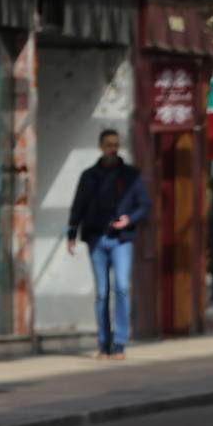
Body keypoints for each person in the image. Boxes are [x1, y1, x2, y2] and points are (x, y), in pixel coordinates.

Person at [67, 129, 151, 360]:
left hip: (121, 240)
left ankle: (120, 343)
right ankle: (104, 344)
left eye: (115, 144)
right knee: (102, 293)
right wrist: (71, 233)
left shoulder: (131, 175)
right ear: (100, 147)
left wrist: (129, 219)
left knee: (122, 287)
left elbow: (144, 205)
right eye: (108, 145)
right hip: (96, 238)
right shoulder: (89, 176)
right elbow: (78, 206)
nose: (113, 149)